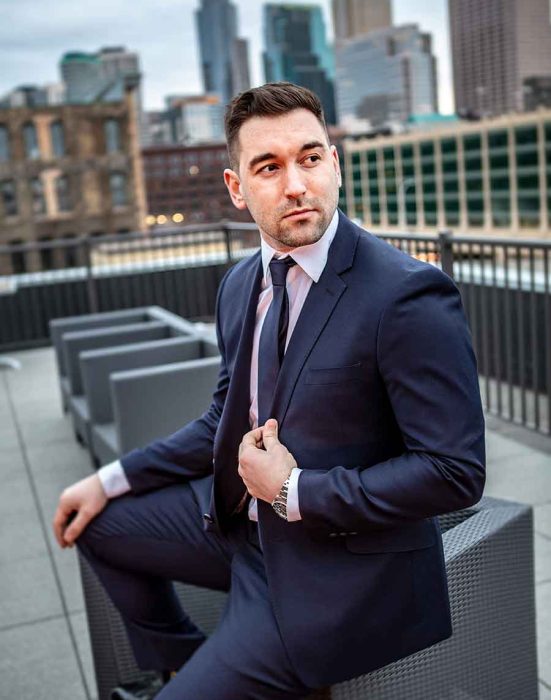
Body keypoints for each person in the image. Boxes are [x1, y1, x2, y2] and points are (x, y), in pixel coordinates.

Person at [53, 82, 485, 700]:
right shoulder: (239, 286)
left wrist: (293, 490)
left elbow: (454, 472)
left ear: (334, 162)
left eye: (310, 158)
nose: (296, 185)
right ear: (237, 189)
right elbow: (220, 422)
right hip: (233, 528)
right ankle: (182, 663)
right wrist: (107, 479)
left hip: (327, 568)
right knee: (98, 523)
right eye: (268, 167)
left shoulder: (407, 295)